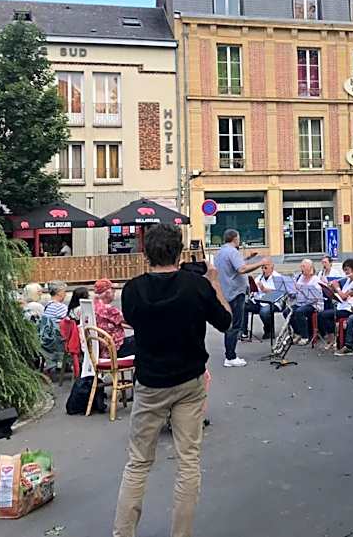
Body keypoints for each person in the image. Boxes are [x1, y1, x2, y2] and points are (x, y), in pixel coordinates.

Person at [113, 223, 232, 537]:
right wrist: (214, 283)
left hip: (150, 383)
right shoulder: (196, 286)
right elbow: (225, 321)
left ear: (146, 253)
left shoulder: (133, 290)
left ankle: (123, 533)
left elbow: (131, 320)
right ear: (179, 253)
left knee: (138, 463)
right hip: (189, 382)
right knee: (188, 461)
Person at [214, 229, 269, 368]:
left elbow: (234, 265)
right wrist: (260, 262)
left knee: (230, 323)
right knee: (235, 325)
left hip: (226, 291)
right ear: (235, 238)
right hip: (235, 292)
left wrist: (248, 258)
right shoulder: (233, 251)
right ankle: (230, 357)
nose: (239, 240)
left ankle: (230, 354)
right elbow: (241, 269)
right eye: (238, 238)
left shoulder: (221, 252)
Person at [326, 259, 353, 356]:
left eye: (347, 270)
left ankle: (335, 340)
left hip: (349, 309)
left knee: (324, 316)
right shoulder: (348, 280)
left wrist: (337, 287)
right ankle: (335, 340)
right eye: (344, 270)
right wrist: (331, 288)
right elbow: (340, 295)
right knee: (324, 314)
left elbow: (344, 296)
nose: (345, 273)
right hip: (342, 307)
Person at [93, 278, 135, 358]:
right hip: (115, 348)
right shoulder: (108, 309)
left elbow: (119, 322)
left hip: (103, 347)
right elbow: (130, 320)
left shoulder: (94, 305)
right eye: (113, 291)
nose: (114, 294)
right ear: (108, 293)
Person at [289, 259, 322, 344]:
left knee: (299, 312)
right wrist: (292, 291)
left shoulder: (315, 280)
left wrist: (302, 289)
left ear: (310, 268)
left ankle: (305, 336)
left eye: (303, 266)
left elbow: (315, 297)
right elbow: (296, 293)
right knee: (287, 311)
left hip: (313, 304)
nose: (301, 268)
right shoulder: (301, 277)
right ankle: (298, 332)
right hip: (301, 303)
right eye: (301, 266)